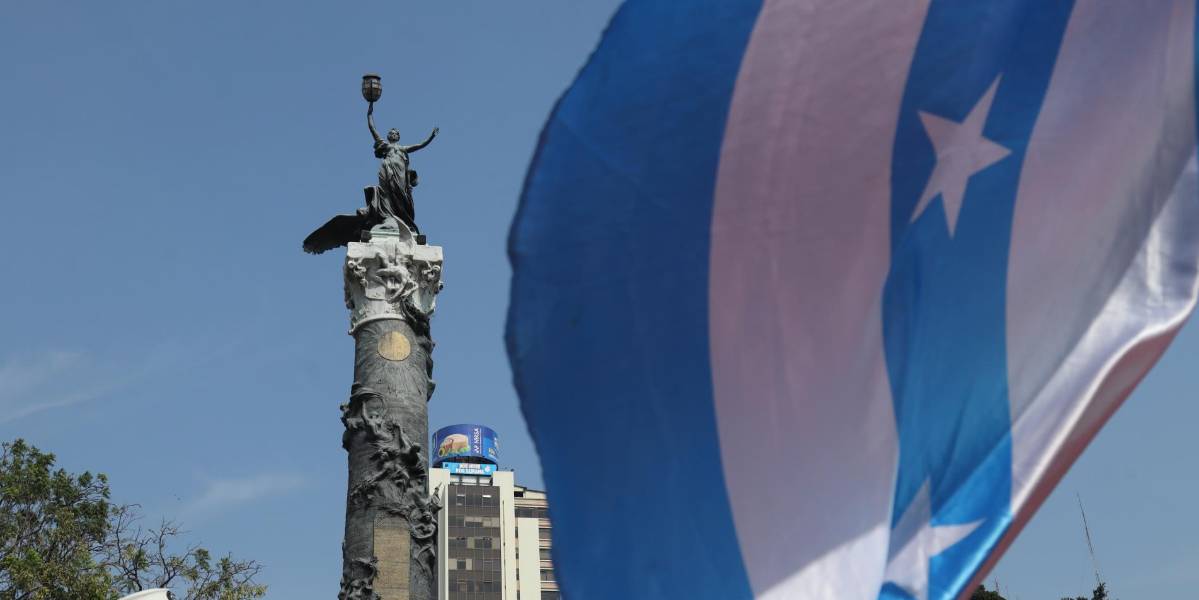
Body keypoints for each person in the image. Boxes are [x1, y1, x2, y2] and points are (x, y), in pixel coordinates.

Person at [368, 102, 437, 233]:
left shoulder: (402, 148)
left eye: (395, 133)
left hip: (400, 175)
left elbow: (419, 145)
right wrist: (369, 114)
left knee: (401, 195)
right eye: (391, 133)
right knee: (386, 192)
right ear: (388, 136)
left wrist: (431, 137)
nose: (393, 134)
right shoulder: (386, 146)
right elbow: (373, 129)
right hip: (387, 170)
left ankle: (403, 220)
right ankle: (388, 217)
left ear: (398, 137)